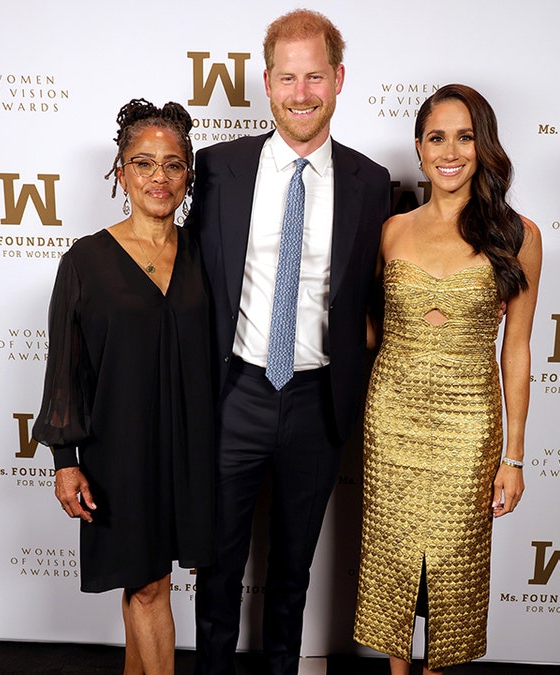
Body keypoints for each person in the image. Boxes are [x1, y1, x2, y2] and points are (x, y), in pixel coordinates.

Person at [189, 9, 391, 675]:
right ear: (267, 84)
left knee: (293, 569)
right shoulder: (216, 169)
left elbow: (373, 296)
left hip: (317, 401)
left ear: (337, 79)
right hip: (235, 394)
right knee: (217, 565)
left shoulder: (371, 183)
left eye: (313, 77)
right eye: (286, 78)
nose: (300, 93)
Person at [354, 84, 541, 675]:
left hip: (468, 425)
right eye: (437, 137)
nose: (451, 151)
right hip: (393, 417)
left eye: (465, 136)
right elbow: (370, 335)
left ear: (483, 147)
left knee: (452, 578)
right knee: (391, 559)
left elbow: (516, 351)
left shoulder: (519, 236)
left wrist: (513, 456)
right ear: (419, 148)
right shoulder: (391, 231)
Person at [32, 99, 215, 675]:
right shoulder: (85, 260)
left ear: (189, 176)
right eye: (143, 163)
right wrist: (67, 460)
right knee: (146, 588)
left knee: (146, 588)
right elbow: (66, 368)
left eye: (173, 164)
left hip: (195, 448)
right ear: (120, 172)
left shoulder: (209, 255)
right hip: (120, 451)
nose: (158, 177)